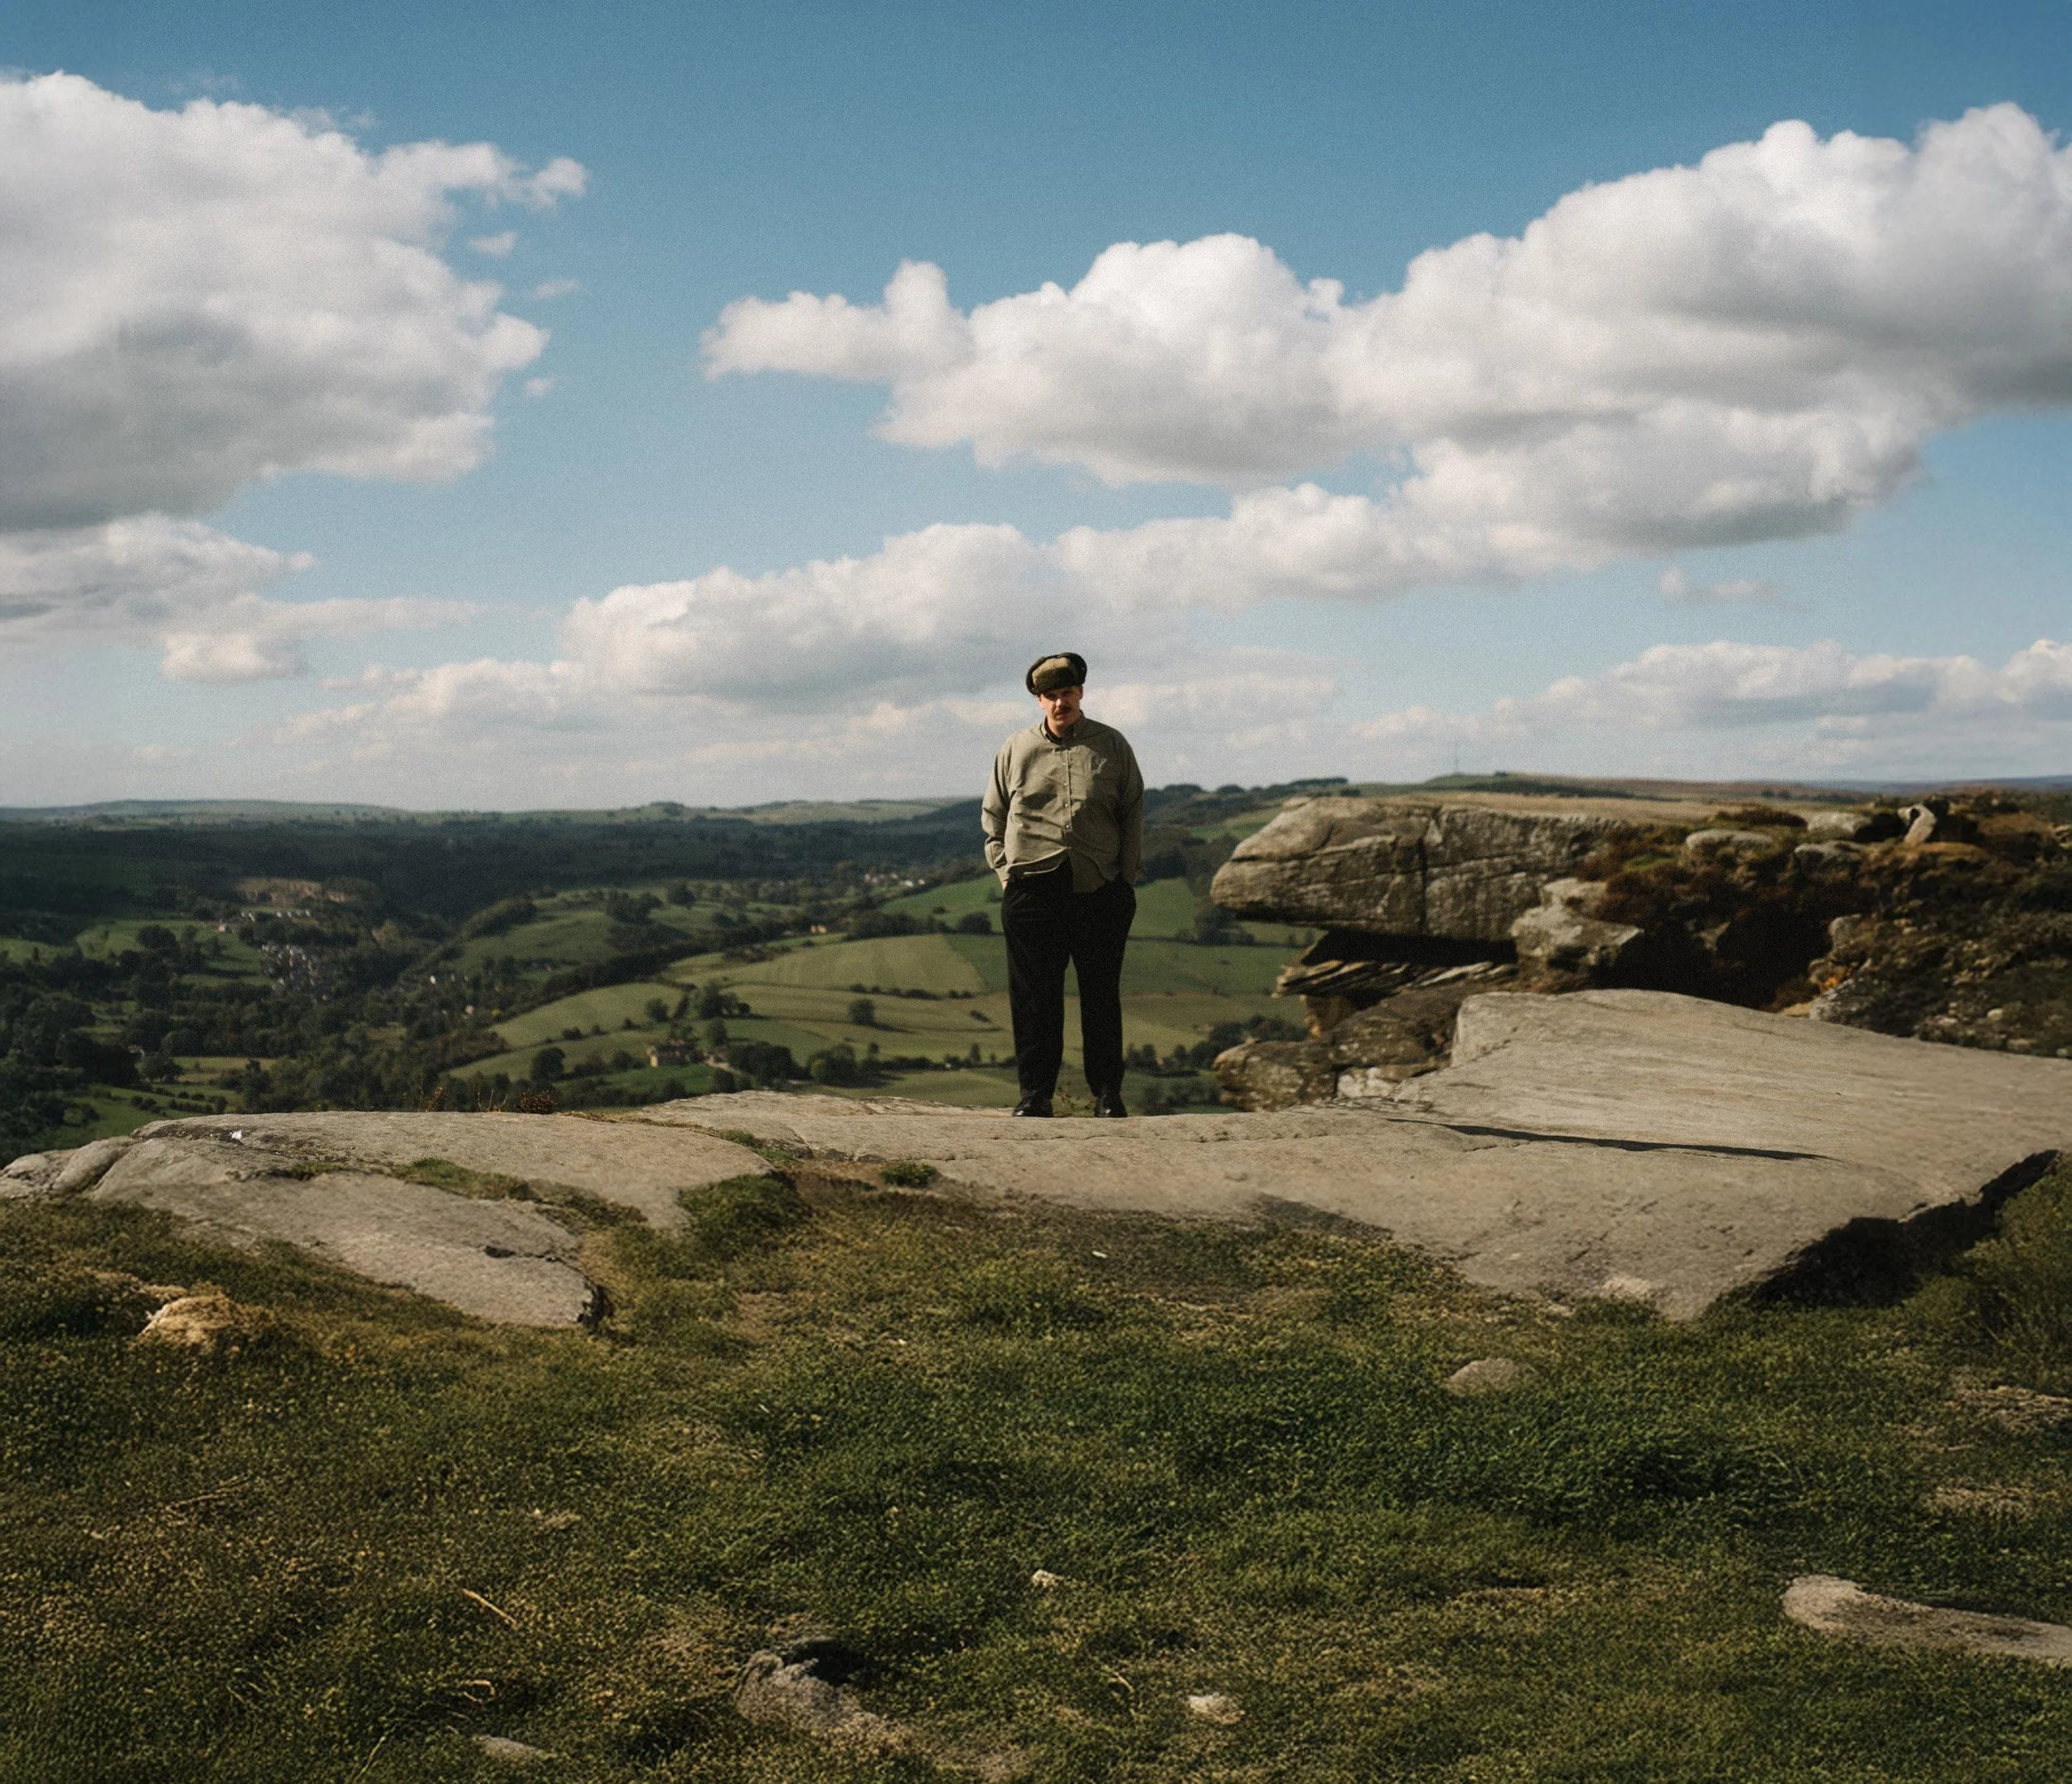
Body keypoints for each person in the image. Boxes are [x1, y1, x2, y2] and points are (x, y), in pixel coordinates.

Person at [981, 652, 1145, 1117]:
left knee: (1101, 996)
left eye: (1067, 693)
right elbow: (993, 817)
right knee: (1035, 999)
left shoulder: (1112, 745)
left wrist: (1125, 880)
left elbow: (1132, 812)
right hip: (1032, 891)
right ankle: (1035, 1096)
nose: (1060, 703)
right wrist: (1005, 873)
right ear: (1039, 700)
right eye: (1050, 696)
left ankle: (1107, 1095)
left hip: (1100, 890)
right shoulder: (1016, 749)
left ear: (1081, 693)